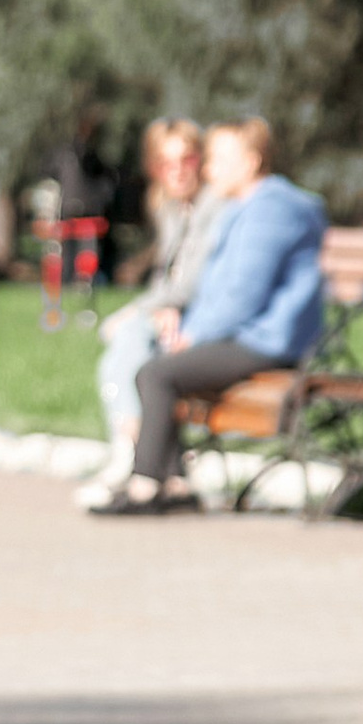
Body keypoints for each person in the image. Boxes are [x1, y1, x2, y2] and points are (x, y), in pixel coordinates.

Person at [87, 114, 327, 515]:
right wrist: (190, 328)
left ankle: (145, 484)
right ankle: (176, 483)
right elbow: (218, 290)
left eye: (217, 159)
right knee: (159, 362)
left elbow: (243, 296)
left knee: (156, 374)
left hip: (268, 340)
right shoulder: (244, 208)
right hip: (248, 335)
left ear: (251, 161)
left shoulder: (272, 211)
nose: (208, 169)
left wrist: (194, 335)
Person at [84, 119, 216, 495]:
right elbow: (168, 280)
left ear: (201, 161)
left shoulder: (213, 208)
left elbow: (194, 282)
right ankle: (146, 458)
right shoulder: (170, 208)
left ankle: (130, 451)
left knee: (129, 340)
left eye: (186, 160)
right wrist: (155, 307)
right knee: (128, 344)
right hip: (174, 312)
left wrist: (143, 309)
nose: (177, 171)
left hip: (202, 319)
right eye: (165, 163)